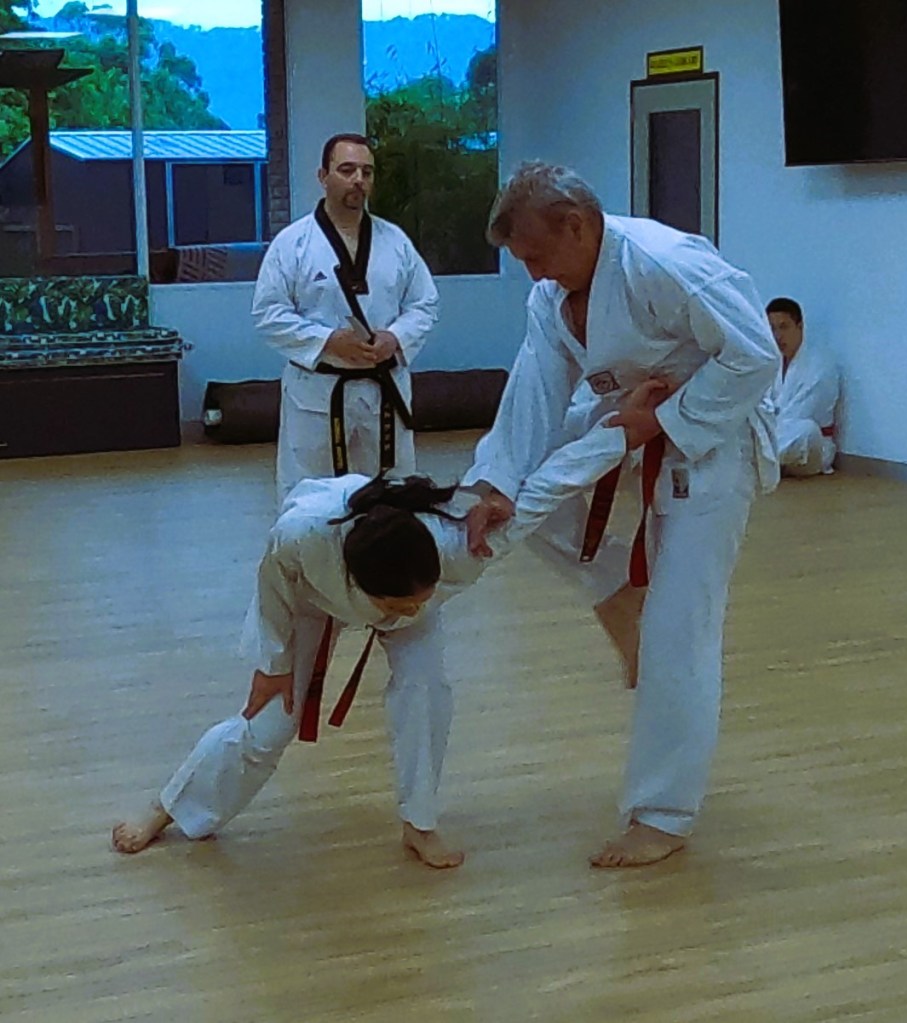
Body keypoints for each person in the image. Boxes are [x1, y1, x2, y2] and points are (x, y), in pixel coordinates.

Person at [111, 432, 635, 870]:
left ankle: (419, 823)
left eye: (420, 597)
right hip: (307, 601)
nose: (409, 610)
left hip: (390, 572)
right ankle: (167, 807)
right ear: (364, 590)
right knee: (269, 725)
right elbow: (272, 580)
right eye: (397, 605)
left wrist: (622, 433)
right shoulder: (302, 535)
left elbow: (545, 487)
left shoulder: (466, 543)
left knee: (426, 690)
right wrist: (273, 664)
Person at [464, 162, 781, 869]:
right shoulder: (552, 294)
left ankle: (663, 814)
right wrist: (496, 481)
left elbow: (756, 354)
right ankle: (616, 588)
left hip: (713, 438)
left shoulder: (665, 264)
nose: (533, 273)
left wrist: (663, 421)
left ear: (577, 225)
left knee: (679, 630)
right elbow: (534, 389)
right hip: (626, 412)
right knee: (508, 501)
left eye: (537, 255)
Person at [252, 133, 439, 502]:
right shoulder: (293, 243)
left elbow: (425, 303)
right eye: (347, 170)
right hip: (317, 391)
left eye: (367, 172)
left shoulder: (395, 241)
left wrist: (395, 338)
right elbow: (268, 313)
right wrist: (327, 340)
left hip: (382, 388)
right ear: (323, 176)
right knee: (310, 498)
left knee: (390, 497)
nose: (358, 180)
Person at [766, 297, 840, 477]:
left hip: (810, 449)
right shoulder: (772, 363)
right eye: (772, 328)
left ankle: (754, 460)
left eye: (784, 327)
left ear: (799, 327)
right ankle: (762, 461)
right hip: (774, 437)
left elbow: (796, 416)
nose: (777, 336)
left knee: (806, 429)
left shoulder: (820, 367)